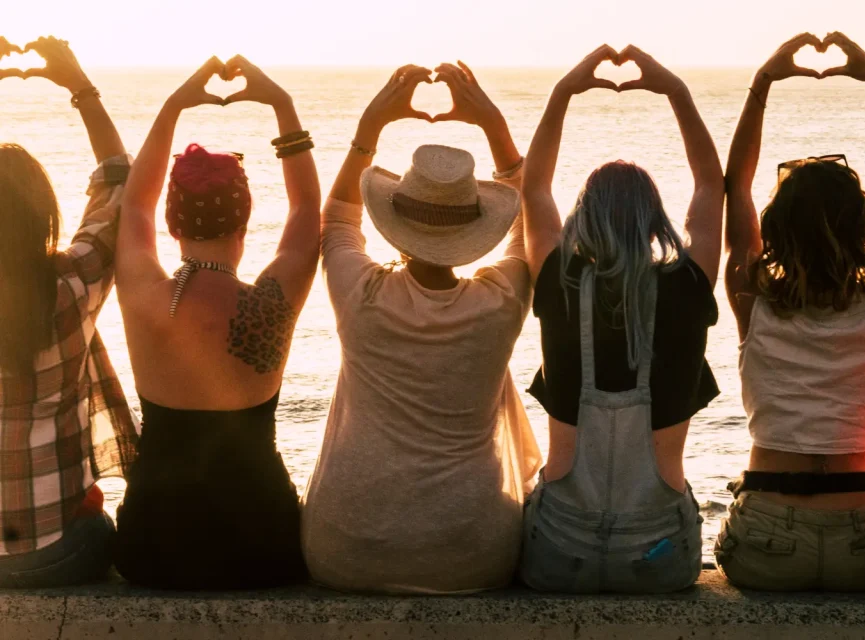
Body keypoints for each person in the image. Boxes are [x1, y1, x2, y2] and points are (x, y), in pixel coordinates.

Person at [302, 62, 541, 594]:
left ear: (396, 225)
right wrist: (492, 125)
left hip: (345, 548)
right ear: (476, 227)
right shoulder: (500, 301)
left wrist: (372, 126)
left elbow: (337, 219)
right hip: (473, 553)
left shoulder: (361, 296)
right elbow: (533, 224)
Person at [715, 33, 865, 591]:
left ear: (776, 228)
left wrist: (763, 83)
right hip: (861, 538)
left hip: (767, 534)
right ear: (862, 225)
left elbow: (733, 187)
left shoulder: (751, 299)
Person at [518, 45, 723, 593]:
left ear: (582, 214)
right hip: (658, 554)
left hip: (560, 549)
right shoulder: (686, 284)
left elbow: (532, 189)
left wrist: (564, 91)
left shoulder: (560, 277)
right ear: (655, 216)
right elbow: (710, 186)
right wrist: (675, 91)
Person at [111, 56, 320, 589]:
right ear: (245, 216)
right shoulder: (273, 299)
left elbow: (134, 203)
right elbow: (304, 210)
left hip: (152, 545)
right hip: (263, 541)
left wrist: (173, 107)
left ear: (172, 220)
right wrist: (281, 104)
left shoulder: (144, 296)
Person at [0, 37, 138, 588]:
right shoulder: (71, 286)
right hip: (57, 555)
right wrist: (80, 88)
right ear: (44, 215)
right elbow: (119, 181)